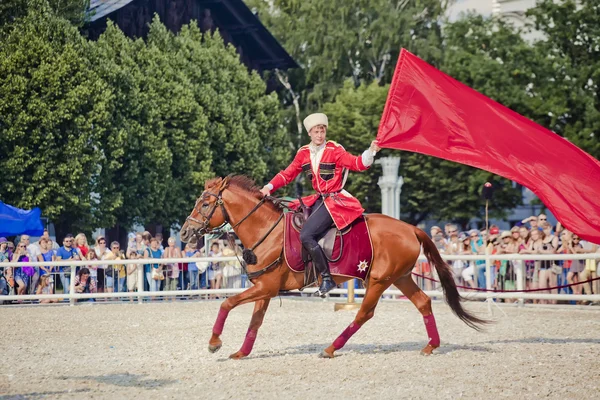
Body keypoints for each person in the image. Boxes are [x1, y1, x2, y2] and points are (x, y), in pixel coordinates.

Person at [260, 113, 380, 296]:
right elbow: (287, 174)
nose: (320, 135)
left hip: (335, 200)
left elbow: (356, 164)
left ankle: (327, 278)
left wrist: (371, 151)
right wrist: (268, 187)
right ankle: (301, 273)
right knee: (295, 224)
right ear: (309, 133)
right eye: (316, 131)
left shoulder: (335, 150)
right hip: (318, 199)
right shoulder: (303, 153)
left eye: (322, 131)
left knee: (307, 234)